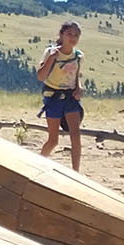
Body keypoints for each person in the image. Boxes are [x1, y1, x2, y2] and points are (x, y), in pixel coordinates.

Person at [36, 21, 86, 171]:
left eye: (76, 35)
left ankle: (75, 172)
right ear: (61, 35)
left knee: (75, 137)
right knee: (53, 140)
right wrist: (51, 58)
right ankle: (37, 165)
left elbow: (76, 76)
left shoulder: (78, 56)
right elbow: (40, 76)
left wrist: (79, 89)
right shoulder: (51, 53)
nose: (72, 38)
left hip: (71, 97)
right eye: (69, 34)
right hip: (54, 97)